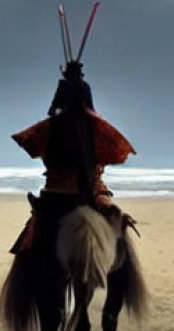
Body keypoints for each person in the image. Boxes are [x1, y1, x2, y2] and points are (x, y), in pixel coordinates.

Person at [9, 58, 135, 255]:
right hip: (86, 188)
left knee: (35, 229)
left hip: (57, 190)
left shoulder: (55, 124)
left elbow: (53, 110)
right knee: (114, 221)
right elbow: (90, 110)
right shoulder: (90, 120)